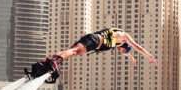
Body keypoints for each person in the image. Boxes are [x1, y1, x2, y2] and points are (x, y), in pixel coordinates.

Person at [26, 27, 157, 82]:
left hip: (93, 44)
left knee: (72, 51)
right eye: (123, 50)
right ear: (124, 46)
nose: (120, 51)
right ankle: (56, 61)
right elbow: (137, 46)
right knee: (74, 50)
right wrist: (148, 55)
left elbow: (126, 53)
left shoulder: (117, 44)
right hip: (94, 39)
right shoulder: (123, 36)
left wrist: (130, 57)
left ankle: (44, 64)